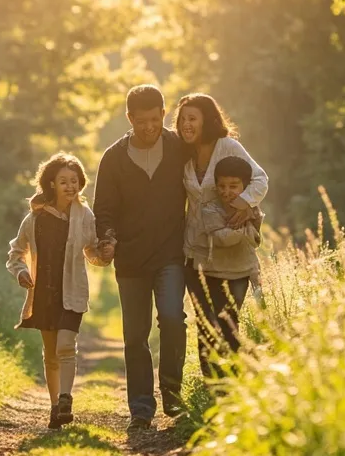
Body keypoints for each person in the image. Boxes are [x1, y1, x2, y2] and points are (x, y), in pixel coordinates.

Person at [93, 84, 189, 431]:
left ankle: (174, 396)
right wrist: (108, 239)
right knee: (135, 335)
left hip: (171, 254)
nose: (148, 128)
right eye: (140, 122)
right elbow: (103, 210)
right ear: (129, 118)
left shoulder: (180, 148)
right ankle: (141, 409)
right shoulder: (114, 158)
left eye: (154, 119)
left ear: (163, 114)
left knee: (173, 319)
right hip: (131, 260)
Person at [7, 152, 109, 429]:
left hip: (72, 292)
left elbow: (93, 252)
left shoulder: (84, 216)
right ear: (51, 183)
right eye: (63, 181)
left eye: (74, 181)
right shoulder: (35, 217)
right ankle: (55, 408)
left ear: (80, 184)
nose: (70, 186)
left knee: (66, 346)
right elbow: (16, 252)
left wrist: (105, 253)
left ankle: (65, 398)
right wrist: (21, 271)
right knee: (50, 354)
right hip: (43, 293)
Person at [174, 93, 268, 379]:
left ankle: (231, 388)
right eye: (182, 119)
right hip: (197, 253)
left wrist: (243, 205)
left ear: (208, 120)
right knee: (204, 325)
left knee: (227, 324)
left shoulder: (227, 147)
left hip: (233, 257)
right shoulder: (182, 151)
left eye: (193, 118)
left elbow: (261, 179)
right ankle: (211, 391)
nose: (186, 124)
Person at [188, 155, 263, 377]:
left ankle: (232, 375)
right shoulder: (210, 209)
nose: (227, 191)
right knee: (210, 324)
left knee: (231, 321)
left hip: (241, 273)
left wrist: (248, 220)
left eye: (233, 186)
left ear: (245, 187)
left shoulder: (252, 208)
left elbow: (256, 239)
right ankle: (212, 376)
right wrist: (246, 227)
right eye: (221, 186)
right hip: (213, 273)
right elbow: (223, 238)